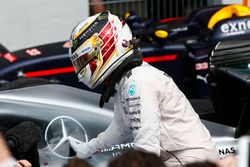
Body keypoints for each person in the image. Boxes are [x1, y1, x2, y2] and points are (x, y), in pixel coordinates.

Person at [68, 10, 220, 166]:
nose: (81, 68)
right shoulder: (129, 79)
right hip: (180, 157)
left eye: (84, 59)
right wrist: (88, 148)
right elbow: (120, 129)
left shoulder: (138, 82)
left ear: (105, 47)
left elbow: (147, 147)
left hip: (191, 159)